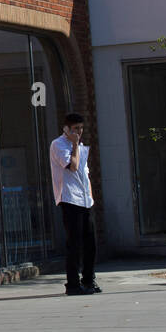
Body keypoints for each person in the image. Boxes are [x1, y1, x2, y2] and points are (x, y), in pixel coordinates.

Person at [50, 113, 99, 295]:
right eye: (75, 129)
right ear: (66, 129)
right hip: (69, 199)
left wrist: (91, 197)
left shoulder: (81, 146)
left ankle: (89, 279)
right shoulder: (58, 145)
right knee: (74, 242)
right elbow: (73, 166)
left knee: (90, 243)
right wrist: (74, 144)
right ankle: (73, 283)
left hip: (85, 200)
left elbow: (84, 175)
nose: (79, 132)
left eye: (80, 128)